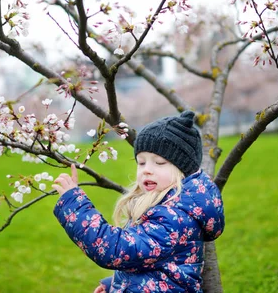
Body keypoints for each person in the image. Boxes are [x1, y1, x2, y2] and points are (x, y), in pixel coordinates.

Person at [53, 110, 225, 292]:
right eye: (141, 163)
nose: (146, 170)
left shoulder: (173, 219)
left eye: (159, 163)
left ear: (182, 170)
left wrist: (75, 205)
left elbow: (115, 250)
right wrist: (114, 285)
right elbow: (151, 264)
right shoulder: (170, 208)